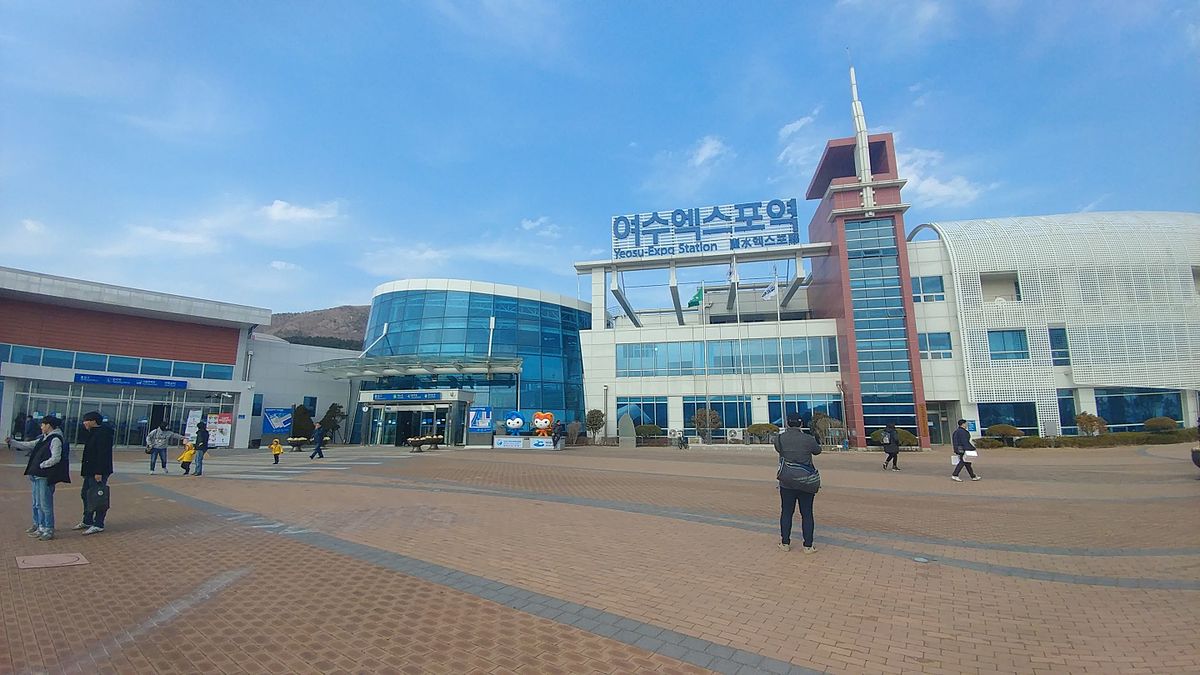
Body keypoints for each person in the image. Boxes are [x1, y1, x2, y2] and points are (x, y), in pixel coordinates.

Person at [7, 415, 71, 541]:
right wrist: (13, 442)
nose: (41, 427)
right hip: (36, 474)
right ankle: (39, 525)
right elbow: (30, 445)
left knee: (45, 504)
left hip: (44, 476)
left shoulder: (55, 439)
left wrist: (42, 465)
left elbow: (56, 457)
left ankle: (48, 528)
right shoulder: (44, 438)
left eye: (43, 424)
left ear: (49, 425)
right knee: (37, 503)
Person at [774, 412, 822, 554]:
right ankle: (808, 545)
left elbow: (778, 450)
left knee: (787, 512)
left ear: (788, 423)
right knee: (807, 513)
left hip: (787, 481)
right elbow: (817, 451)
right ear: (801, 424)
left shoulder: (780, 438)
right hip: (806, 481)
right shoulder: (808, 439)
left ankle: (785, 543)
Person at [78, 411, 114, 534]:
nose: (84, 423)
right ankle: (87, 520)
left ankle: (99, 523)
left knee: (98, 496)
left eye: (86, 420)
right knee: (86, 494)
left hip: (98, 471)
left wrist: (99, 472)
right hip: (89, 471)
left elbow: (102, 455)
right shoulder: (92, 433)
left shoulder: (103, 434)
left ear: (94, 421)